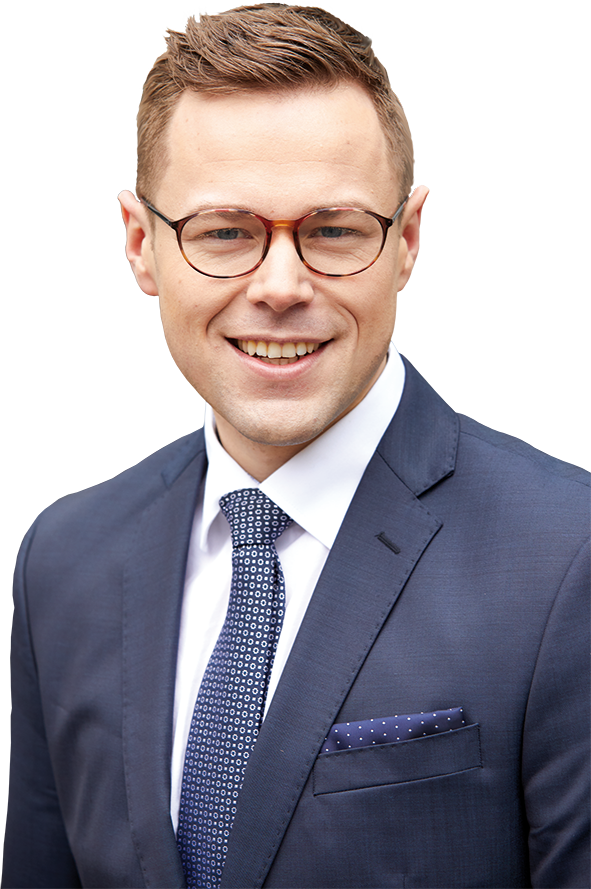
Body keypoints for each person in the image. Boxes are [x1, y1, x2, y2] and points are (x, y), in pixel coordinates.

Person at [5, 4, 591, 888]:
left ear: (409, 241)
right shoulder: (56, 568)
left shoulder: (565, 561)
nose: (280, 286)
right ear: (140, 247)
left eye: (333, 230)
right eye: (224, 232)